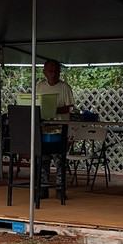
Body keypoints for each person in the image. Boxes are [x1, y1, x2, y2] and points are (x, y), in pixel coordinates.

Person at [36, 59, 74, 193]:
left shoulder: (65, 87)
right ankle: (44, 188)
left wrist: (52, 109)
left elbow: (70, 108)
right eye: (50, 71)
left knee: (60, 161)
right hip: (44, 129)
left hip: (60, 129)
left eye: (56, 71)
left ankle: (60, 189)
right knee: (43, 160)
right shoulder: (40, 86)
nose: (53, 74)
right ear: (44, 72)